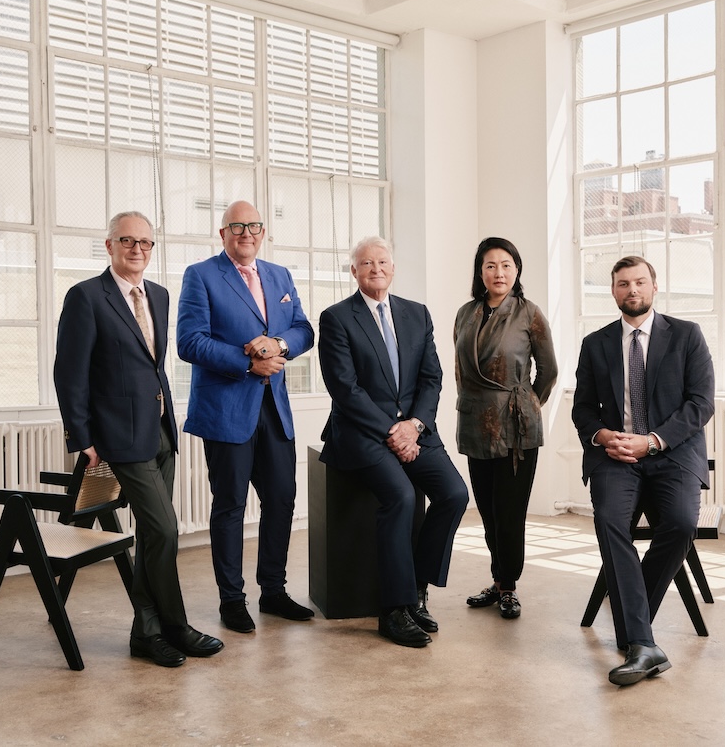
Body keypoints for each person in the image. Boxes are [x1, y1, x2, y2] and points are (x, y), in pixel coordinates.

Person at [54, 211, 224, 668]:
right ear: (108, 245)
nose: (137, 250)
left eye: (146, 243)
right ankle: (174, 625)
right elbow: (69, 373)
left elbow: (152, 366)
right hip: (117, 436)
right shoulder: (86, 297)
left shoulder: (161, 296)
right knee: (165, 530)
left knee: (153, 535)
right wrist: (82, 437)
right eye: (127, 241)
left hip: (160, 430)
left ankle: (147, 633)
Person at [317, 237, 469, 648]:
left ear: (393, 267)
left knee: (455, 494)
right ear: (354, 271)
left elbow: (432, 378)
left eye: (382, 261)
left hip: (415, 431)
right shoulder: (336, 318)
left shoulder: (416, 314)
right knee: (401, 496)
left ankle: (418, 588)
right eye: (366, 263)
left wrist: (416, 425)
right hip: (363, 433)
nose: (376, 268)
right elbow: (345, 390)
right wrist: (393, 431)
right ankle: (393, 610)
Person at [572, 255, 714, 687]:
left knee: (681, 523)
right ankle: (642, 641)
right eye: (621, 284)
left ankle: (638, 635)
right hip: (617, 457)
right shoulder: (596, 343)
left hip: (670, 454)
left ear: (654, 287)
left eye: (639, 282)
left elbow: (701, 403)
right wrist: (603, 437)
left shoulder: (687, 335)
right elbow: (582, 409)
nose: (631, 290)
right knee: (610, 521)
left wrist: (652, 440)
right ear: (613, 291)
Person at [177, 200, 315, 634]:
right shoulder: (200, 276)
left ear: (262, 232)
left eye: (254, 226)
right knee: (231, 506)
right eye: (236, 227)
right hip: (226, 411)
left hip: (274, 411)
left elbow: (304, 330)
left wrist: (278, 344)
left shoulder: (280, 275)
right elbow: (189, 342)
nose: (246, 233)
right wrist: (246, 360)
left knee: (282, 501)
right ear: (223, 234)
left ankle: (272, 591)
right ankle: (231, 600)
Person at [454, 237, 557, 619]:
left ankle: (509, 586)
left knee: (510, 513)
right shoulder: (466, 313)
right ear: (480, 272)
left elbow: (549, 371)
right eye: (490, 265)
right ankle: (498, 582)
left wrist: (527, 405)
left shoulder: (529, 313)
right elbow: (461, 371)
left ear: (517, 271)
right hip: (475, 421)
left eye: (506, 265)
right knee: (487, 510)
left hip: (516, 428)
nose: (499, 272)